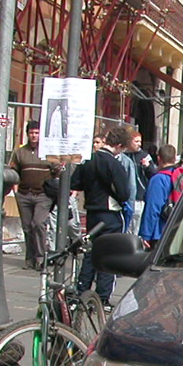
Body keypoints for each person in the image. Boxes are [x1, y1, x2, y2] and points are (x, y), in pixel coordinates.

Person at [71, 125, 132, 309]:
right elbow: (124, 193)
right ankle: (103, 296)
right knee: (109, 254)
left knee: (90, 252)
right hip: (110, 213)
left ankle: (82, 290)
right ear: (119, 145)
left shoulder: (88, 160)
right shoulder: (114, 164)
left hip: (92, 211)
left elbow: (75, 182)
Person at [9, 120, 59, 269]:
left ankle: (40, 257)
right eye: (31, 133)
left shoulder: (48, 153)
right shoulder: (20, 152)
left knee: (38, 223)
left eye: (37, 133)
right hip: (24, 194)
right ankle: (29, 258)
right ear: (27, 134)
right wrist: (16, 191)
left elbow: (58, 171)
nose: (34, 136)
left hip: (43, 195)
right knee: (27, 227)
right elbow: (13, 171)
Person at [139, 144, 183, 246]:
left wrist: (146, 235)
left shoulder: (159, 179)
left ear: (158, 158)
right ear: (175, 159)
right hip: (176, 230)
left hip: (159, 232)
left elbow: (153, 208)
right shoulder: (180, 175)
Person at [124, 131, 157, 234]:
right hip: (125, 195)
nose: (139, 144)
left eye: (140, 141)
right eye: (136, 141)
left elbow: (153, 174)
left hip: (139, 195)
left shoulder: (144, 156)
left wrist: (147, 166)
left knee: (136, 222)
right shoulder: (124, 155)